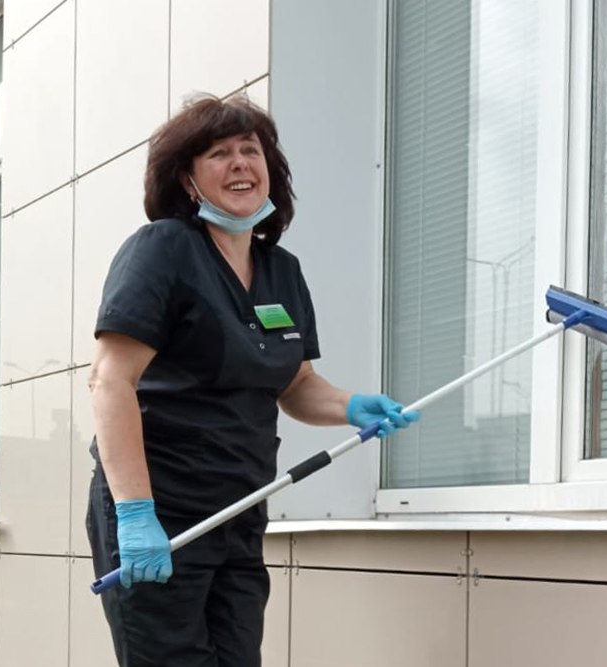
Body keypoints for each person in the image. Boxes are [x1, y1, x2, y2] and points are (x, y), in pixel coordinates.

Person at [85, 93, 420, 667]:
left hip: (240, 510)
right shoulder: (164, 250)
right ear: (188, 180)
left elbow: (296, 384)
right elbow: (110, 381)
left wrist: (352, 405)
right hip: (162, 513)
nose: (240, 163)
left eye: (250, 150)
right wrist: (137, 514)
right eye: (218, 153)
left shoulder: (281, 270)